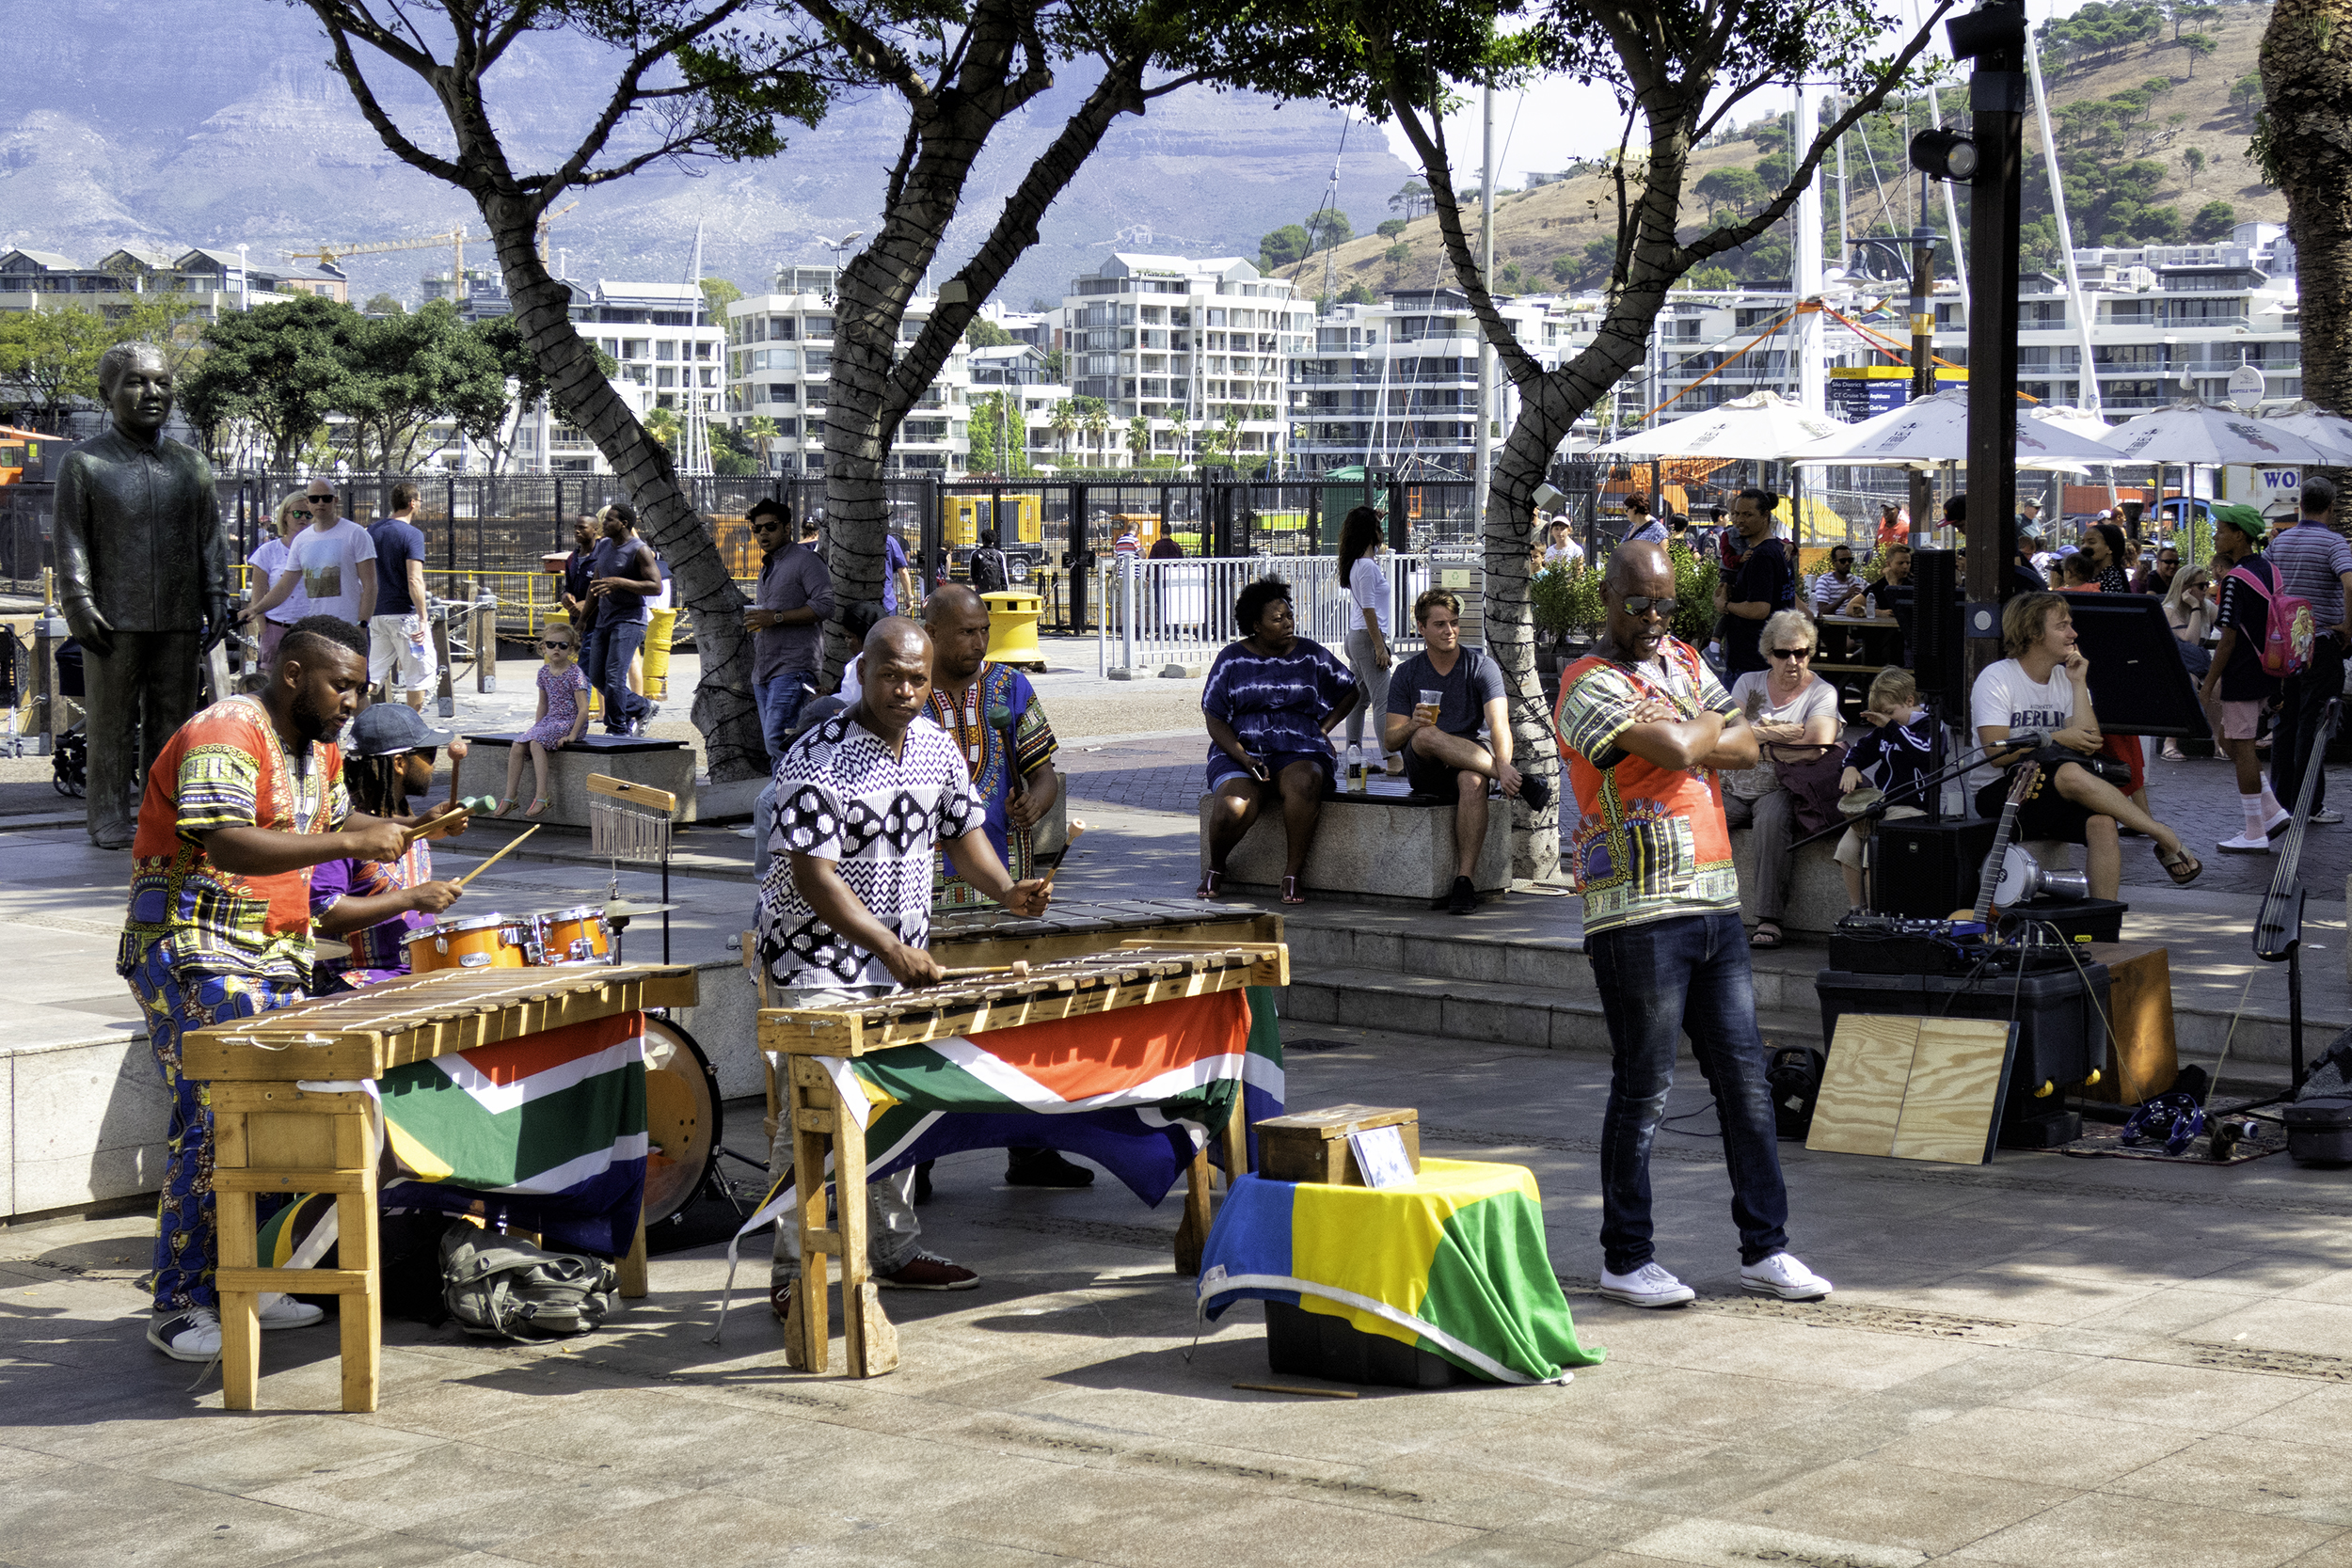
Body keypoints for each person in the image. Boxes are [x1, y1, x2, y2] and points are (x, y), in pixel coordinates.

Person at [122, 615, 444, 1359]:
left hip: (273, 955)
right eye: (342, 684)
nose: (351, 702)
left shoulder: (319, 751)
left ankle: (251, 1275)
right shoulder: (226, 728)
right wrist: (348, 840)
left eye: (359, 688)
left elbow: (335, 821)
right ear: (293, 672)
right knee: (215, 1117)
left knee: (276, 1117)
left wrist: (410, 828)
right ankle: (178, 1303)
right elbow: (226, 837)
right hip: (192, 946)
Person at [1555, 541, 1830, 1308]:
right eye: (1637, 604)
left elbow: (1745, 745)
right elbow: (1686, 743)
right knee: (1644, 1087)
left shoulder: (1679, 657)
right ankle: (1626, 1256)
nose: (1652, 620)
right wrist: (1696, 728)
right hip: (1636, 909)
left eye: (1665, 604)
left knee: (1745, 1083)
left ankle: (1766, 1249)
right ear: (1605, 598)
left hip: (1715, 902)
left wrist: (1697, 729)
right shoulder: (1586, 682)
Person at [756, 618, 1052, 1315]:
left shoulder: (935, 747)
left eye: (918, 678)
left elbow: (962, 837)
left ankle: (892, 1247)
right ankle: (791, 1266)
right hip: (815, 957)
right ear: (863, 669)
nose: (905, 690)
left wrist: (1007, 891)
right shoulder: (815, 756)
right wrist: (889, 945)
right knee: (817, 1110)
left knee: (895, 1105)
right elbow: (813, 876)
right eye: (891, 675)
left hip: (898, 960)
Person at [919, 585, 1087, 1190]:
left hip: (1004, 884)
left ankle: (1031, 1149)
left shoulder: (1011, 688)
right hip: (924, 894)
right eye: (965, 632)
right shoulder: (906, 691)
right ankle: (917, 1160)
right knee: (931, 1026)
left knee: (1019, 1021)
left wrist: (1032, 805)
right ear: (932, 632)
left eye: (983, 631)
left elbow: (1043, 775)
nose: (978, 643)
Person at [55, 342, 232, 849]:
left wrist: (217, 595)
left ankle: (166, 813)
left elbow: (209, 538)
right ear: (106, 393)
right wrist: (79, 603)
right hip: (113, 617)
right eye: (135, 381)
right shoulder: (83, 463)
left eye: (162, 382)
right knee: (110, 724)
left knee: (173, 723)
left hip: (178, 615)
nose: (152, 393)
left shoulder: (190, 464)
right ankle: (108, 816)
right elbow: (71, 540)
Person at [1971, 593, 2201, 900]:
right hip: (2002, 793)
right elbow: (1995, 751)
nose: (2073, 634)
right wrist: (2060, 737)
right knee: (2069, 773)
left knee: (2103, 824)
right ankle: (2160, 833)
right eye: (2062, 626)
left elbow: (2090, 741)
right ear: (2034, 633)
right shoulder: (1997, 678)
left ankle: (2102, 924)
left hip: (2051, 789)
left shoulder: (2066, 678)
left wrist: (2079, 682)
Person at [1382, 588, 1550, 915]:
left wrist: (1502, 761)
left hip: (1470, 756)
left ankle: (1464, 881)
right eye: (1440, 624)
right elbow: (1390, 741)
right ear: (1421, 628)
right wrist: (1413, 724)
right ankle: (1520, 781)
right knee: (1428, 734)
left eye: (1455, 623)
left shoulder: (1480, 666)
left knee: (1473, 782)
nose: (1450, 631)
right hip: (1426, 763)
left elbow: (1499, 723)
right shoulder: (1406, 673)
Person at [1198, 576, 1360, 905]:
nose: (1288, 623)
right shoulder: (1232, 659)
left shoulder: (1311, 655)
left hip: (1300, 749)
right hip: (1240, 753)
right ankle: (1216, 867)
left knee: (1305, 782)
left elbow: (1350, 690)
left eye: (1289, 615)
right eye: (1277, 619)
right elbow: (1214, 717)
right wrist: (1244, 758)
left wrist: (1323, 729)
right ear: (1256, 625)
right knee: (1234, 808)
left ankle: (1292, 874)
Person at [310, 704, 469, 990]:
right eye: (428, 755)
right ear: (399, 763)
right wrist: (411, 898)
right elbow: (321, 912)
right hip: (361, 983)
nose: (433, 766)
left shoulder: (411, 824)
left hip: (421, 972)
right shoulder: (340, 834)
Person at [1723, 610, 1840, 950]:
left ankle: (1769, 918)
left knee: (1773, 820)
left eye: (1800, 652)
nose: (1792, 661)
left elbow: (1817, 744)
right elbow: (1728, 733)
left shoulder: (1822, 692)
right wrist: (1777, 734)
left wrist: (1756, 742)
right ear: (1768, 653)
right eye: (1783, 653)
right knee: (1697, 815)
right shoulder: (1749, 682)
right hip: (1733, 783)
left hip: (1781, 785)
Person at [2264, 475, 2352, 827]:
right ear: (2331, 507)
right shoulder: (2334, 543)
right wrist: (2348, 624)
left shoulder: (2280, 543)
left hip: (2286, 645)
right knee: (2313, 722)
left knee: (2286, 719)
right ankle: (2309, 804)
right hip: (2321, 642)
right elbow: (2350, 581)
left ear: (2299, 504)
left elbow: (2265, 580)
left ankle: (2282, 799)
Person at [2201, 510, 2291, 849]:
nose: (2215, 537)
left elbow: (2228, 637)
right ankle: (2272, 810)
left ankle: (2255, 832)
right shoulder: (2271, 571)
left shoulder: (2235, 579)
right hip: (2270, 667)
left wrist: (2208, 684)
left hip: (2241, 672)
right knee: (2229, 739)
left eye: (2221, 531)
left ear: (2239, 535)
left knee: (2240, 745)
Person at [1836, 667, 1937, 910]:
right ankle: (1857, 911)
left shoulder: (1931, 725)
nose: (1883, 720)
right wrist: (1851, 766)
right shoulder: (1887, 729)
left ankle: (1877, 913)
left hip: (1914, 808)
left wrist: (1892, 727)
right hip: (1884, 805)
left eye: (1889, 713)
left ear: (1910, 701)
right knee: (1848, 848)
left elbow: (1923, 753)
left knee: (1875, 849)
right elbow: (1858, 750)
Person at [746, 501, 834, 760]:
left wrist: (777, 617)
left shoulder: (806, 561)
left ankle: (797, 794)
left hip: (794, 667)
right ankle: (779, 800)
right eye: (757, 528)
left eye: (770, 527)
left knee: (779, 743)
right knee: (775, 748)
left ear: (787, 528)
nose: (763, 533)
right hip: (764, 670)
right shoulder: (767, 565)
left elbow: (826, 605)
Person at [246, 482, 377, 633]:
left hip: (348, 628)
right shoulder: (301, 540)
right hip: (316, 630)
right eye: (315, 499)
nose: (320, 503)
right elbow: (284, 587)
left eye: (326, 498)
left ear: (335, 500)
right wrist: (256, 610)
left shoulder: (356, 533)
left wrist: (362, 624)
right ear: (308, 503)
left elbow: (371, 585)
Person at [499, 621, 590, 817]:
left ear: (571, 649)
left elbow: (583, 709)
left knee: (536, 742)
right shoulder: (543, 673)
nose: (556, 649)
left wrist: (573, 735)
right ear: (543, 648)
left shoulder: (575, 674)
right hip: (551, 721)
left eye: (562, 645)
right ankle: (510, 796)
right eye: (551, 644)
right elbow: (543, 704)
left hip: (570, 722)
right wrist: (537, 726)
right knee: (517, 745)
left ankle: (542, 795)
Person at [582, 502, 660, 736]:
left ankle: (617, 728)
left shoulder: (639, 549)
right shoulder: (604, 546)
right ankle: (642, 706)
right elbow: (595, 586)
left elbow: (656, 587)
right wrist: (582, 620)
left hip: (630, 621)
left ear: (624, 523)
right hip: (604, 621)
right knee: (597, 676)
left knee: (614, 677)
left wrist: (620, 582)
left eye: (609, 520)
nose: (603, 524)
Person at [1336, 506, 1400, 779]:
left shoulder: (1360, 564)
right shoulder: (1366, 567)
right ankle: (1393, 758)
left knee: (1359, 701)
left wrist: (1374, 517)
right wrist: (1379, 647)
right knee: (1382, 699)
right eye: (1377, 526)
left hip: (1359, 637)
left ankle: (1355, 757)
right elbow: (1369, 610)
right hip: (1367, 638)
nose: (1381, 530)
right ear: (1370, 532)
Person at [1712, 487, 1796, 676]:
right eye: (1737, 514)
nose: (1740, 520)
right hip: (1769, 656)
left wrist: (1725, 605)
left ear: (1765, 515)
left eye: (1748, 515)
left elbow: (1759, 609)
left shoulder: (1762, 556)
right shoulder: (1780, 550)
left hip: (1752, 661)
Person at [367, 482, 436, 712]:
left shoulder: (371, 531)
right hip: (405, 616)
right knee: (419, 676)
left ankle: (353, 720)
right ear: (412, 503)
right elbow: (415, 579)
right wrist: (423, 618)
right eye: (420, 501)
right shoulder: (412, 534)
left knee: (372, 676)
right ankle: (412, 730)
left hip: (377, 613)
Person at [248, 494, 312, 672]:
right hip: (277, 628)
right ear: (285, 515)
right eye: (298, 513)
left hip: (312, 629)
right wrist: (264, 631)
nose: (303, 519)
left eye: (308, 514)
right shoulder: (268, 551)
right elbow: (258, 595)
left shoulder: (318, 549)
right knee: (275, 689)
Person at [559, 514, 597, 629]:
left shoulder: (603, 556)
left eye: (582, 527)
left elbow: (610, 591)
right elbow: (568, 587)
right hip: (577, 622)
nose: (577, 531)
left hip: (599, 623)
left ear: (595, 530)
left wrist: (587, 604)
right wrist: (565, 596)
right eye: (575, 527)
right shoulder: (572, 558)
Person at [2081, 521, 2134, 595]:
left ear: (2109, 548)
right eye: (2082, 543)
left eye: (2092, 542)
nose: (2084, 547)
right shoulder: (2088, 576)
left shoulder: (2112, 580)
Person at [968, 528, 1011, 594]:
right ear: (993, 541)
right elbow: (1004, 575)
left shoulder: (975, 554)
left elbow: (972, 573)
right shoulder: (999, 555)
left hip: (981, 589)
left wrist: (976, 583)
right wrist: (1006, 590)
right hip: (996, 589)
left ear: (983, 540)